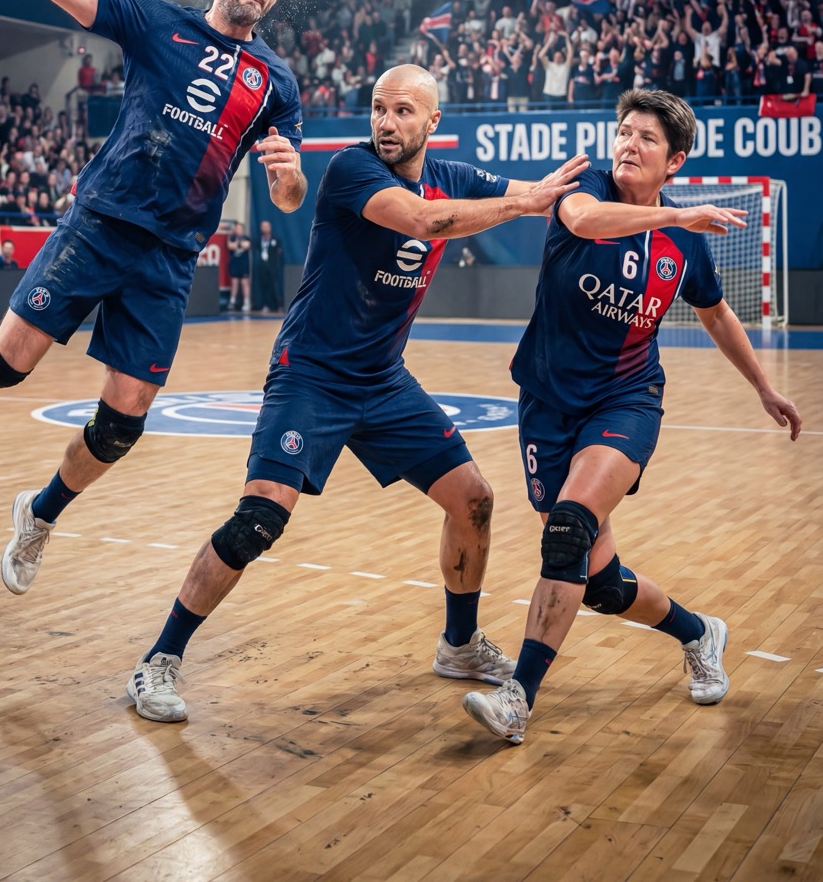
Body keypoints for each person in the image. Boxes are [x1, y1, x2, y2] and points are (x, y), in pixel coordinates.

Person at [124, 64, 588, 723]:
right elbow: (426, 221)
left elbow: (545, 195)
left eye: (404, 111)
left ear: (433, 122)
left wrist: (596, 196)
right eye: (378, 108)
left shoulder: (453, 175)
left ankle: (458, 645)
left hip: (383, 379)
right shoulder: (352, 168)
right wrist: (525, 203)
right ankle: (158, 661)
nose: (386, 123)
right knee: (259, 520)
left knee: (474, 500)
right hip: (311, 374)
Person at [0, 0, 308, 599]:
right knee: (8, 365)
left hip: (170, 259)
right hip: (98, 225)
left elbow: (290, 197)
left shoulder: (276, 82)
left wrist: (289, 179)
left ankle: (40, 513)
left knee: (123, 423)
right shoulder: (154, 23)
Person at [462, 88, 803, 745]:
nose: (629, 144)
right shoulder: (585, 187)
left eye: (647, 138)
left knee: (567, 532)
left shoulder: (684, 243)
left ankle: (517, 699)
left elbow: (714, 313)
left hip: (626, 400)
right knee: (599, 583)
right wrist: (673, 214)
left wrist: (763, 386)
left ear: (673, 162)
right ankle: (699, 632)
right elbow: (585, 220)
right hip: (546, 403)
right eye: (624, 131)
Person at [251, 218, 284, 311]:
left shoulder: (275, 239)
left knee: (273, 286)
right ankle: (262, 304)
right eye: (263, 226)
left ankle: (276, 305)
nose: (265, 228)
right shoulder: (258, 239)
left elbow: (279, 251)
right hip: (261, 267)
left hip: (272, 266)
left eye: (266, 226)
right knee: (262, 286)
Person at [226, 220, 252, 312]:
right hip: (235, 263)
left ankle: (246, 302)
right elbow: (230, 246)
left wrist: (237, 245)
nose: (238, 230)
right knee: (234, 283)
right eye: (237, 228)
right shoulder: (232, 237)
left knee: (244, 283)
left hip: (243, 264)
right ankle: (232, 302)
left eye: (240, 228)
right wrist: (239, 245)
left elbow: (246, 245)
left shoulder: (246, 237)